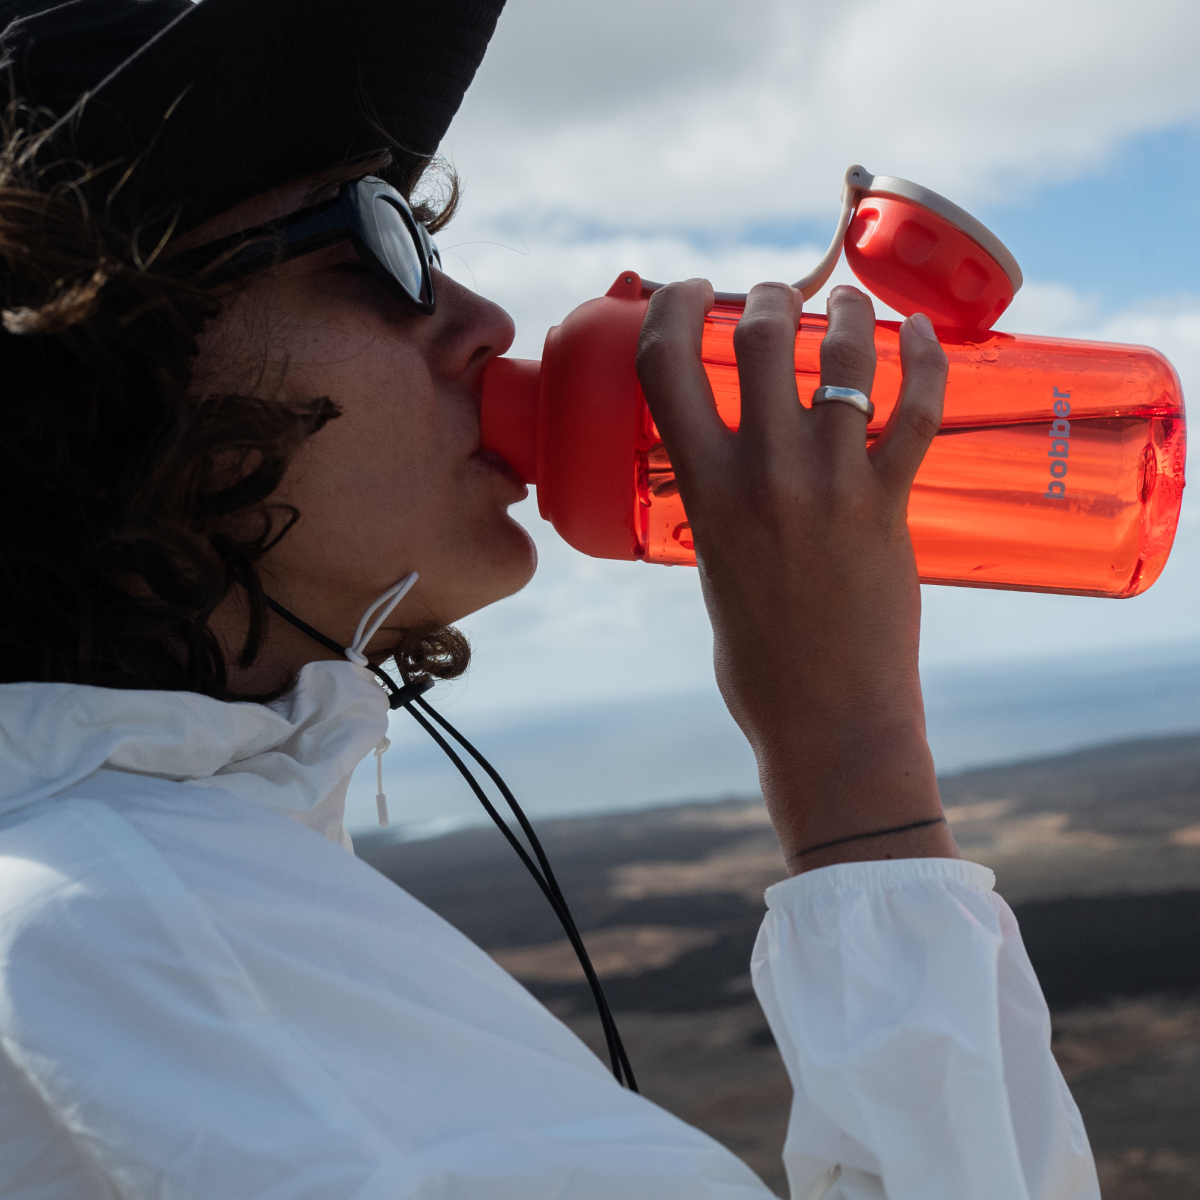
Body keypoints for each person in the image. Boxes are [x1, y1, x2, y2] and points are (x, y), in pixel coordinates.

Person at [0, 0, 1099, 1197]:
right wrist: (853, 760)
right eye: (374, 241)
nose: (482, 318)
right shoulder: (169, 958)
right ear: (95, 360)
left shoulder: (126, 896)